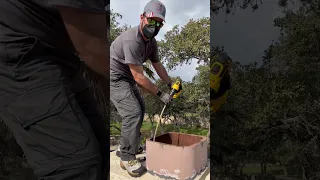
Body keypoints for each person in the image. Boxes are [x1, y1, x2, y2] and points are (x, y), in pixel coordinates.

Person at [0, 1, 109, 180]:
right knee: (76, 165)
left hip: (55, 51)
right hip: (16, 51)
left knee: (100, 143)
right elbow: (93, 52)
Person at [110, 0, 181, 177]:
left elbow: (158, 66)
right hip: (114, 78)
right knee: (132, 112)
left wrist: (170, 83)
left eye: (159, 23)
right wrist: (161, 95)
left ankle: (126, 146)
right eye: (152, 20)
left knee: (140, 109)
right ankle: (127, 157)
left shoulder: (152, 43)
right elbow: (139, 77)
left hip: (127, 77)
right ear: (142, 18)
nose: (155, 26)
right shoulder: (132, 40)